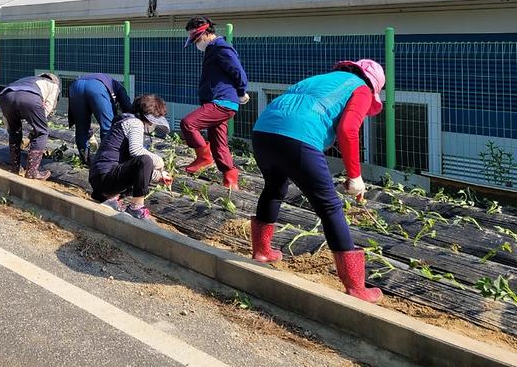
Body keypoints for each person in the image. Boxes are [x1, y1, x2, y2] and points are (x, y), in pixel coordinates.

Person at [250, 59, 386, 304]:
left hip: (263, 132)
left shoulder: (320, 79)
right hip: (298, 137)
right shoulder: (362, 88)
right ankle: (356, 287)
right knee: (330, 207)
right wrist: (355, 176)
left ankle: (261, 251)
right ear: (373, 84)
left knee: (274, 188)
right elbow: (348, 130)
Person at [180, 16, 250, 189]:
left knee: (188, 124)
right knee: (218, 142)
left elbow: (238, 71)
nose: (196, 43)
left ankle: (204, 157)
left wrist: (241, 92)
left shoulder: (220, 47)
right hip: (217, 101)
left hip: (222, 102)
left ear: (205, 33)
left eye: (196, 38)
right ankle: (230, 178)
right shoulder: (212, 49)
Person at [88, 94, 171, 220]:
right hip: (106, 177)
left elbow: (135, 168)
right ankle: (136, 207)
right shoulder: (135, 123)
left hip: (99, 178)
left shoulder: (125, 122)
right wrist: (158, 161)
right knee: (145, 159)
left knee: (143, 162)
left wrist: (159, 176)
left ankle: (111, 197)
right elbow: (137, 152)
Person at [0, 73, 60, 180]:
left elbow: (7, 119)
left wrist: (11, 129)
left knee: (14, 132)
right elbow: (48, 107)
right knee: (42, 133)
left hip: (5, 96)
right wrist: (36, 128)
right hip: (30, 98)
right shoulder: (53, 85)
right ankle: (32, 172)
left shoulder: (27, 79)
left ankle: (15, 167)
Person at [67, 73, 133, 165]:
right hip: (96, 87)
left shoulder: (108, 82)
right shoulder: (119, 87)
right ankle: (107, 161)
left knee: (81, 128)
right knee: (108, 128)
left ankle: (85, 160)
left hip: (75, 86)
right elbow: (128, 108)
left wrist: (89, 134)